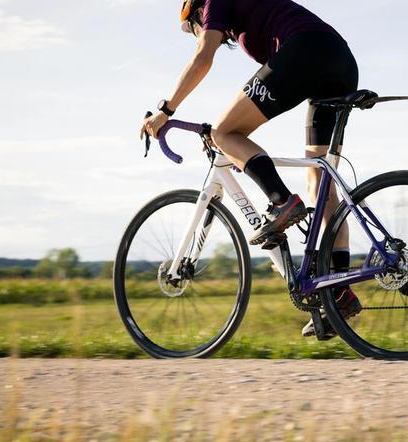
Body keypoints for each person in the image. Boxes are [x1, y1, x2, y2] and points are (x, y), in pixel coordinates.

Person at [140, 0, 361, 338]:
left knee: (224, 132)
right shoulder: (245, 12)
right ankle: (339, 292)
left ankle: (281, 201)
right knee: (322, 184)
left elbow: (203, 57)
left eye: (193, 28)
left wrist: (166, 110)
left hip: (304, 51)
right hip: (338, 60)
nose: (198, 33)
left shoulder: (213, 2)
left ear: (197, 13)